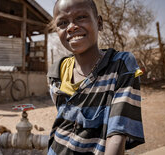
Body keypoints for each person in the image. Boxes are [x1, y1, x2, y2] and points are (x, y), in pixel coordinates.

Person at [47, 0, 145, 154]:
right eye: (63, 22)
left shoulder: (121, 65)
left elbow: (117, 134)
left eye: (81, 17)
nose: (71, 27)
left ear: (99, 23)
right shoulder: (57, 70)